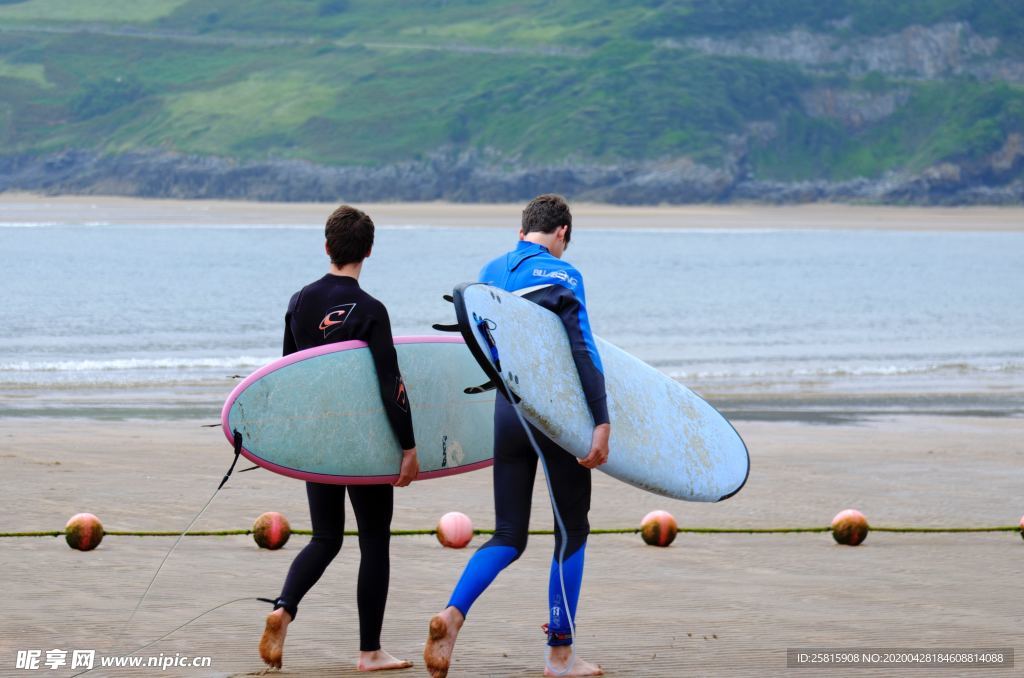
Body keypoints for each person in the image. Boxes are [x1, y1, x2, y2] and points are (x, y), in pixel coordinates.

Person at [424, 194, 610, 677]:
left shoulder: (489, 270)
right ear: (563, 232)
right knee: (571, 530)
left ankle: (452, 615)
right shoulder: (565, 275)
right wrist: (602, 419)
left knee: (508, 533)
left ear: (521, 228)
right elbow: (582, 349)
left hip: (506, 411)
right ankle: (560, 655)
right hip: (553, 417)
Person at [259, 205, 420, 672]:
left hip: (318, 441)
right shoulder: (371, 311)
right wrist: (408, 447)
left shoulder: (299, 301)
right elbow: (393, 384)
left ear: (327, 246)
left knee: (326, 537)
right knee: (374, 541)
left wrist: (290, 441)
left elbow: (289, 375)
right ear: (369, 251)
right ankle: (370, 651)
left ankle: (284, 608)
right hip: (364, 445)